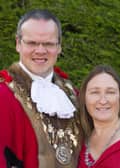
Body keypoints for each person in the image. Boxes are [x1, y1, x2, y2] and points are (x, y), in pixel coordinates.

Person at [0, 9, 83, 168]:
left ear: (59, 47)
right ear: (18, 44)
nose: (40, 50)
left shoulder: (72, 93)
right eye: (32, 43)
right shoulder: (3, 95)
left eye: (48, 43)